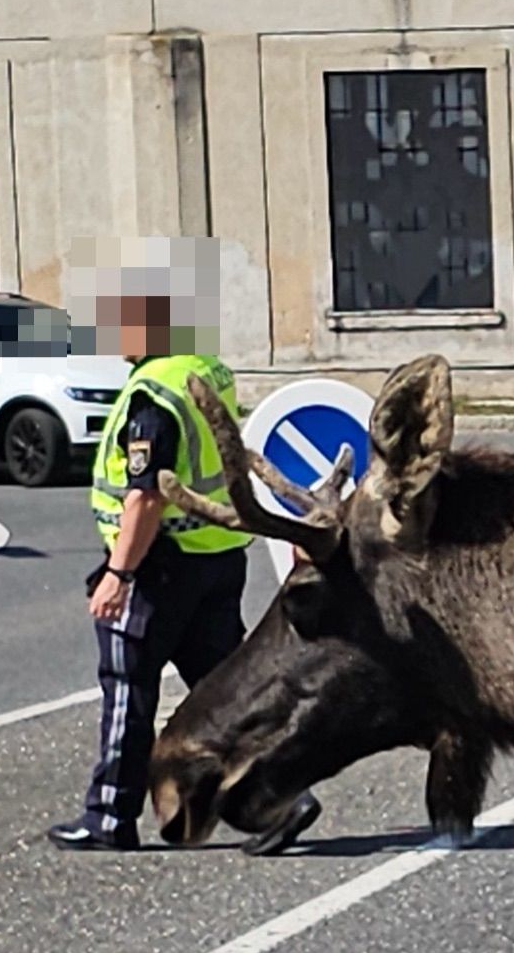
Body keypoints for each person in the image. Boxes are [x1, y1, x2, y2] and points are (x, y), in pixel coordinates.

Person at [48, 261, 318, 854]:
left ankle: (109, 818)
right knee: (226, 692)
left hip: (159, 567)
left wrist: (119, 573)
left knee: (127, 687)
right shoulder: (202, 370)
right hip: (217, 559)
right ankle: (284, 796)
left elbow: (144, 496)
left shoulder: (153, 395)